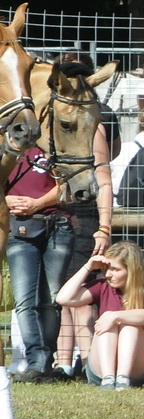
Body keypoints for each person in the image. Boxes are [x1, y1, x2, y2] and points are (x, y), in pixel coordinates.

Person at [53, 55, 113, 383]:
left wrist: (104, 225)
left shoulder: (94, 129)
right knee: (65, 296)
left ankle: (90, 361)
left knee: (82, 296)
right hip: (61, 216)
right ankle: (63, 362)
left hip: (85, 217)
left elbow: (104, 181)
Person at [56, 241, 144, 390]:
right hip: (100, 368)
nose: (108, 274)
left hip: (140, 368)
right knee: (108, 320)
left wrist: (116, 316)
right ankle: (108, 379)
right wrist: (87, 267)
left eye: (115, 269)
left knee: (128, 324)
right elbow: (63, 298)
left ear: (132, 270)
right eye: (107, 268)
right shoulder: (102, 286)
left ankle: (122, 379)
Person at [6, 145, 72, 383]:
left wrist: (38, 203)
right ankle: (37, 361)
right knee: (25, 300)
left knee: (51, 299)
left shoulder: (53, 145)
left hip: (58, 226)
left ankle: (44, 362)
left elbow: (68, 184)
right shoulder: (8, 148)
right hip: (19, 228)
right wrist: (6, 199)